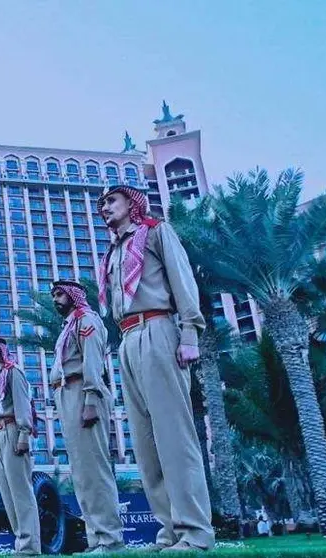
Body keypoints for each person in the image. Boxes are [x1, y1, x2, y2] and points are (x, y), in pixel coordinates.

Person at [96, 184, 214, 553]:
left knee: (175, 438)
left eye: (110, 200)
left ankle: (195, 533)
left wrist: (191, 332)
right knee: (146, 446)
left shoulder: (155, 232)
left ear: (131, 203)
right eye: (100, 204)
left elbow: (182, 279)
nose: (103, 208)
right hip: (127, 341)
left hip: (159, 330)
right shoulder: (113, 251)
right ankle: (169, 532)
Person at [49, 279, 125, 554]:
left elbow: (93, 360)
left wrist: (91, 399)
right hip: (67, 394)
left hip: (83, 391)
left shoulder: (86, 320)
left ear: (74, 295)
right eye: (54, 295)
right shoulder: (69, 325)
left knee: (95, 470)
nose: (55, 299)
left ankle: (110, 540)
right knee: (82, 473)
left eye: (60, 294)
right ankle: (97, 538)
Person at [0, 336, 41, 555]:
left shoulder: (12, 372)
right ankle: (21, 543)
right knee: (8, 494)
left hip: (13, 432)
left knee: (21, 492)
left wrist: (24, 435)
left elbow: (23, 405)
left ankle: (30, 546)